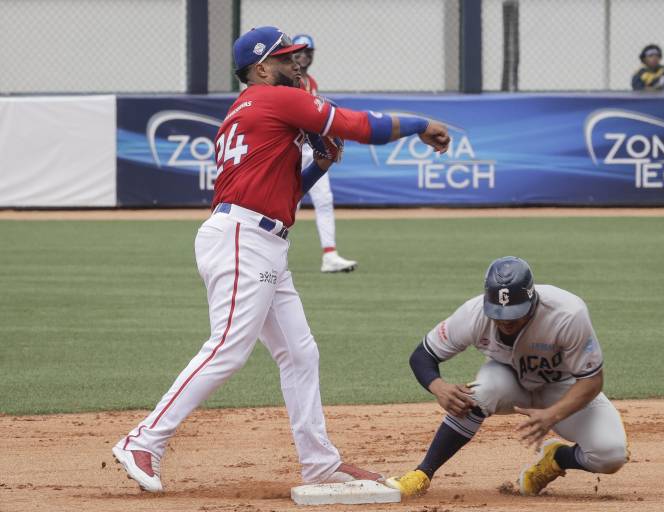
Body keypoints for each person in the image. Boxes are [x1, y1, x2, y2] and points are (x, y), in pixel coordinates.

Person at [111, 25, 450, 493]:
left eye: (295, 54)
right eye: (284, 56)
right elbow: (360, 126)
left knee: (299, 353)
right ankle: (144, 439)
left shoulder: (244, 112)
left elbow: (284, 196)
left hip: (261, 237)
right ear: (260, 67)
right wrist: (419, 125)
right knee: (228, 347)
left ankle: (319, 462)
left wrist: (321, 166)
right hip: (242, 238)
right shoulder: (272, 98)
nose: (296, 63)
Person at [385, 257, 628, 497]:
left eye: (514, 313)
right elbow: (422, 355)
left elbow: (592, 380)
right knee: (481, 392)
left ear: (532, 300)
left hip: (563, 388)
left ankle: (556, 459)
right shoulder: (473, 314)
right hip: (508, 382)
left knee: (611, 454)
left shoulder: (567, 313)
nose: (505, 321)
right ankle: (423, 473)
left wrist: (552, 415)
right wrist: (438, 387)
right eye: (498, 313)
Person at [292, 33, 356, 273]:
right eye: (300, 52)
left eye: (308, 52)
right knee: (290, 201)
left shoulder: (311, 81)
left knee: (324, 200)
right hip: (296, 148)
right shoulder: (290, 81)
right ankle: (272, 249)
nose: (304, 56)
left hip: (313, 148)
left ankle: (330, 255)